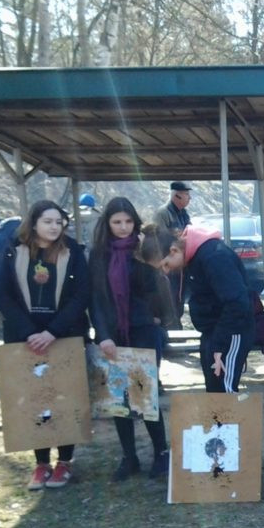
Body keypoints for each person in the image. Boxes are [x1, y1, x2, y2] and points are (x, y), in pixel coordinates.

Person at [0, 200, 90, 490]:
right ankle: (40, 463)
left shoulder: (74, 252)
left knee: (64, 398)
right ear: (34, 223)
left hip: (64, 337)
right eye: (47, 221)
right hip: (24, 340)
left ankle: (64, 462)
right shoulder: (14, 250)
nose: (53, 226)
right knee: (36, 400)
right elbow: (4, 295)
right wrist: (28, 332)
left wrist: (53, 331)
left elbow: (81, 295)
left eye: (58, 221)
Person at [88, 198, 170, 482]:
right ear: (107, 224)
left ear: (135, 221)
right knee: (118, 398)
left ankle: (161, 453)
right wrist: (103, 336)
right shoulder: (98, 255)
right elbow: (95, 299)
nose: (123, 228)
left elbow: (159, 288)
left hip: (143, 330)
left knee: (144, 393)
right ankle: (129, 456)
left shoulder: (144, 247)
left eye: (128, 222)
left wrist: (156, 317)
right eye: (117, 222)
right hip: (113, 335)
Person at [160, 224, 255, 392]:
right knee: (214, 390)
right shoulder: (195, 257)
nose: (167, 271)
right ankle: (217, 419)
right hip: (213, 331)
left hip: (231, 332)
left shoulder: (214, 257)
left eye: (166, 264)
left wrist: (219, 345)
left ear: (174, 250)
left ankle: (227, 420)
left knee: (224, 391)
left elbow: (237, 303)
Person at [153, 182, 192, 323]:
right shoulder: (163, 213)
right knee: (169, 297)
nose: (189, 198)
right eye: (186, 194)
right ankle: (169, 325)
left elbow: (189, 234)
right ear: (177, 195)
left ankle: (176, 322)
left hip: (181, 264)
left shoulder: (184, 214)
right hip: (168, 263)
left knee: (180, 298)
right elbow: (160, 239)